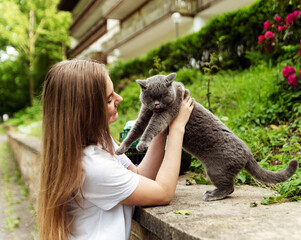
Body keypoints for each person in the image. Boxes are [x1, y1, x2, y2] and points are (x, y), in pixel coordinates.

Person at [37, 59, 194, 240]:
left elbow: (140, 175)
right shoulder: (93, 167)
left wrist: (162, 121)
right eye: (109, 99)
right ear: (86, 111)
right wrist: (177, 128)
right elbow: (163, 192)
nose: (120, 99)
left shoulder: (97, 142)